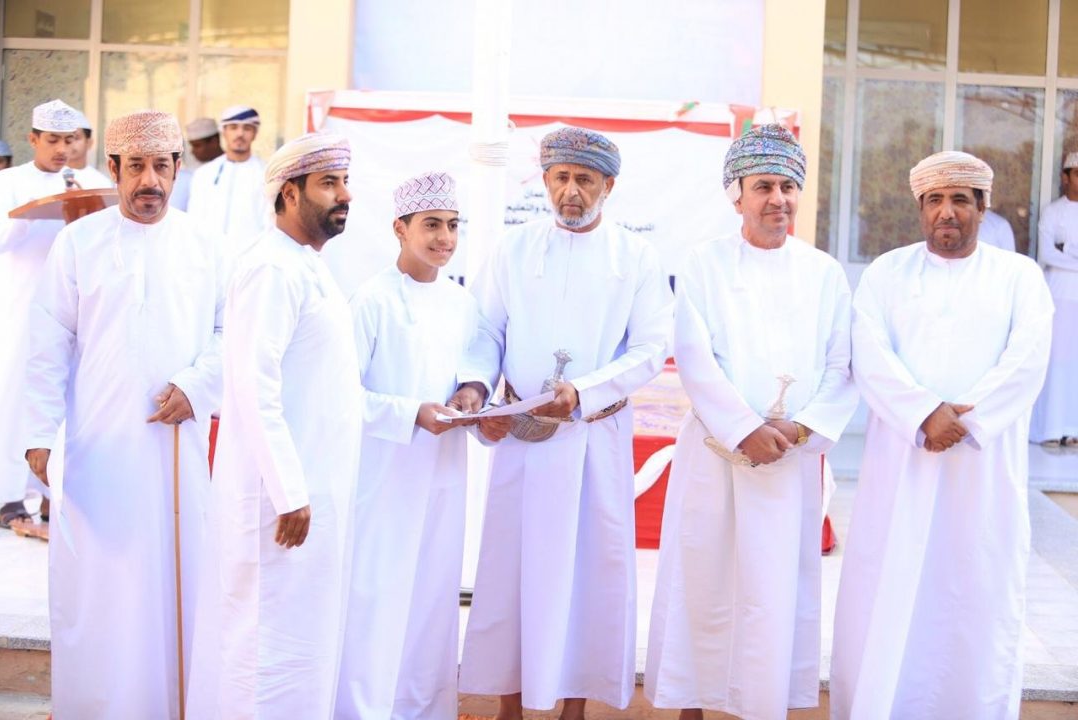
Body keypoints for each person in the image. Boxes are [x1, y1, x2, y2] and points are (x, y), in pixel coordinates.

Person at [454, 127, 674, 719]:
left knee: (587, 579)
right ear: (546, 180)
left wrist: (583, 392)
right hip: (522, 440)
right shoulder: (514, 248)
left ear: (609, 186)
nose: (570, 192)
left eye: (584, 180)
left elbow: (652, 347)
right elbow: (485, 330)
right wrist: (476, 386)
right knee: (512, 575)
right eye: (560, 178)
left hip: (593, 438)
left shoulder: (637, 258)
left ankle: (573, 710)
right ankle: (508, 707)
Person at [644, 124, 858, 720]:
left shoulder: (824, 272)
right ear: (735, 195)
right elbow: (693, 354)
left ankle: (762, 707)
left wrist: (800, 429)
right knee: (703, 583)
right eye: (763, 186)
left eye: (788, 187)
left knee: (773, 593)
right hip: (716, 454)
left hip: (789, 462)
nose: (778, 199)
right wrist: (744, 428)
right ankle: (691, 707)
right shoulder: (705, 263)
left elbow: (842, 365)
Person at [829, 151, 1053, 719]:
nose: (946, 212)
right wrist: (924, 414)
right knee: (891, 588)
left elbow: (1027, 359)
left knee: (975, 594)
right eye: (935, 200)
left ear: (983, 205)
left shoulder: (1019, 276)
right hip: (902, 464)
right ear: (920, 207)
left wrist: (964, 422)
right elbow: (869, 354)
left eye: (959, 199)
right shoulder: (886, 273)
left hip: (983, 470)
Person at [22, 109, 225, 718]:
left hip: (177, 451)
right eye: (136, 166)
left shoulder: (206, 244)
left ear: (178, 168)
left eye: (161, 166)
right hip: (98, 450)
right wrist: (38, 434)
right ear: (112, 168)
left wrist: (198, 385)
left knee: (176, 583)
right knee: (100, 589)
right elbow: (47, 342)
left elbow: (230, 333)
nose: (149, 181)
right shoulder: (78, 243)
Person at [186, 132, 362, 719]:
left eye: (345, 182)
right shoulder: (270, 268)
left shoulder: (306, 265)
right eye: (329, 183)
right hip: (281, 502)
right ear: (289, 193)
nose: (345, 195)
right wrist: (289, 491)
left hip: (310, 493)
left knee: (299, 646)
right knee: (264, 649)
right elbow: (252, 386)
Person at [337, 171, 490, 719]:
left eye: (452, 225)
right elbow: (341, 395)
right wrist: (410, 414)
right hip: (384, 477)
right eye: (431, 225)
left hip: (443, 473)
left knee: (432, 601)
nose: (445, 238)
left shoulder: (461, 302)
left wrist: (473, 392)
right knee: (375, 600)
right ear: (400, 229)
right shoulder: (370, 300)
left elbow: (472, 367)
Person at [0, 99, 111, 529]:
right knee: (14, 395)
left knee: (70, 395)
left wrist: (80, 210)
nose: (63, 149)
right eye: (53, 140)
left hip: (74, 307)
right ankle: (8, 494)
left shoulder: (92, 181)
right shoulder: (9, 181)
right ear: (33, 139)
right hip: (21, 305)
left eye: (70, 140)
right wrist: (34, 210)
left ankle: (54, 495)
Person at [1030, 151, 1078, 447]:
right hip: (1058, 292)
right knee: (1055, 358)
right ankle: (1049, 428)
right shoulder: (1053, 212)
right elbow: (1047, 254)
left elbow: (1059, 253)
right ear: (1065, 177)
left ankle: (1073, 428)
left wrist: (1067, 251)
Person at [186, 105, 269, 254]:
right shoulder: (204, 174)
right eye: (233, 127)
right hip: (209, 257)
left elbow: (268, 224)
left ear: (255, 133)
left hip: (250, 258)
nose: (240, 134)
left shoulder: (266, 174)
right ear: (224, 132)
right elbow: (194, 221)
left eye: (247, 128)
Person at [67, 110, 114, 187]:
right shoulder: (48, 177)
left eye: (75, 137)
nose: (70, 142)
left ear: (89, 142)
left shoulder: (102, 183)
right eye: (66, 138)